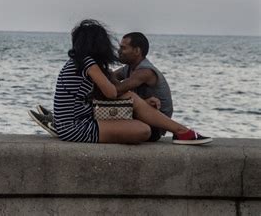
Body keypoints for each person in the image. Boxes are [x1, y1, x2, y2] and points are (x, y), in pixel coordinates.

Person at [28, 19, 211, 144]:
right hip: (76, 128)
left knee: (130, 97)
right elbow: (111, 93)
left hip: (77, 122)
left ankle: (181, 131)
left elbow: (100, 95)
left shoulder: (80, 60)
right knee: (143, 130)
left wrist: (139, 103)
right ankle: (181, 131)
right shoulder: (89, 63)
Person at [29, 32, 172, 142]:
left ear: (137, 51)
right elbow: (109, 80)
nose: (118, 51)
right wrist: (102, 75)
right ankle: (60, 122)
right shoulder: (128, 68)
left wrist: (101, 74)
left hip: (155, 126)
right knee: (105, 99)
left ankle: (60, 124)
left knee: (124, 97)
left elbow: (115, 90)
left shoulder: (145, 72)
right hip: (141, 114)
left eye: (123, 48)